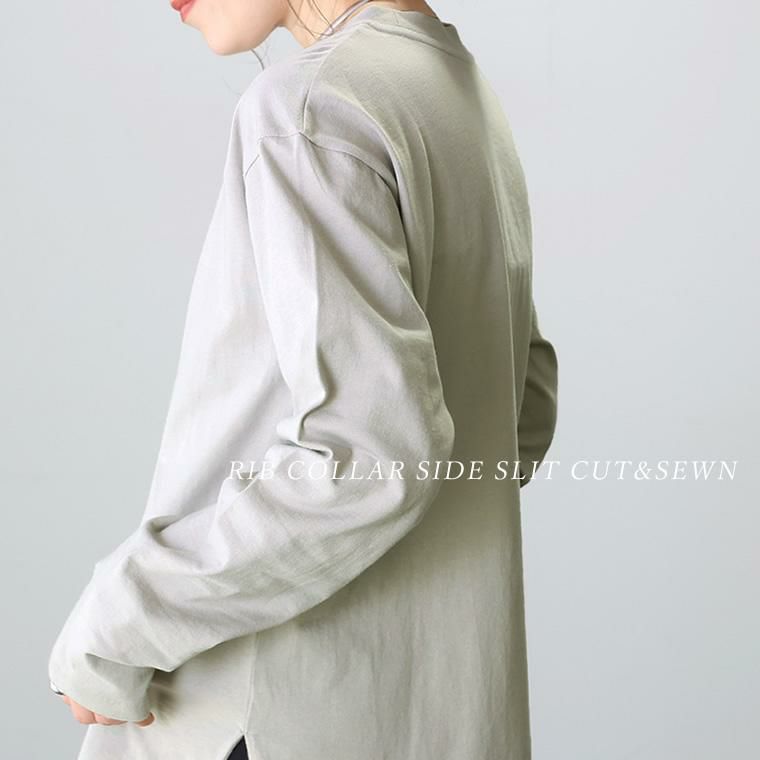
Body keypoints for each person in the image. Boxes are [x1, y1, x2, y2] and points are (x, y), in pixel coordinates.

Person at [47, 0, 559, 758]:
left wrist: (119, 624)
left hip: (275, 716)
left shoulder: (308, 108)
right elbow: (524, 411)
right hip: (446, 716)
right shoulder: (460, 95)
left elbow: (367, 458)